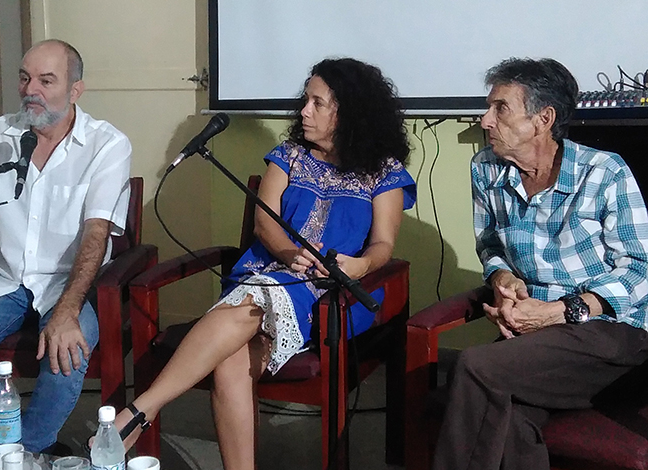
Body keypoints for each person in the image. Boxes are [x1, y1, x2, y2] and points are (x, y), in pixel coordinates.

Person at [94, 58, 416, 469]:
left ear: (348, 111)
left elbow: (384, 245)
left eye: (317, 103)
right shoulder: (289, 156)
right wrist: (287, 255)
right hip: (268, 274)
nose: (304, 111)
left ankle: (139, 412)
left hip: (330, 295)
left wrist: (359, 266)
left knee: (250, 308)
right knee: (232, 357)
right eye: (306, 101)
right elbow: (265, 222)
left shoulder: (383, 173)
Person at [432, 57, 648, 470]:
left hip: (611, 332)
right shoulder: (487, 169)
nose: (484, 120)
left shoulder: (604, 173)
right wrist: (503, 277)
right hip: (532, 338)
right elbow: (490, 243)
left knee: (476, 366)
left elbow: (641, 270)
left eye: (501, 108)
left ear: (543, 119)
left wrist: (559, 312)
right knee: (511, 419)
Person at [0, 39, 132, 453]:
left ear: (75, 90)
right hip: (5, 279)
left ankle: (21, 450)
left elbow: (96, 233)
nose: (29, 89)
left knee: (66, 354)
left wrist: (68, 311)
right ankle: (28, 447)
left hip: (67, 285)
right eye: (24, 77)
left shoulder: (107, 145)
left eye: (45, 80)